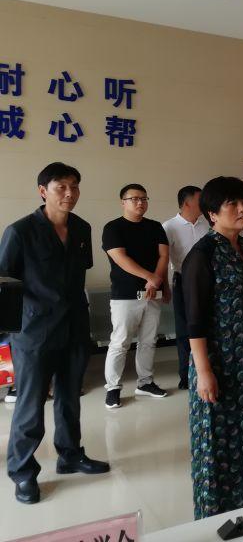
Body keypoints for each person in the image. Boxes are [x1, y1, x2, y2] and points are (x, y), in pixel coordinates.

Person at [0, 162, 109, 504]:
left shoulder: (81, 228)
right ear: (42, 191)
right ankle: (22, 472)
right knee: (30, 405)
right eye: (61, 186)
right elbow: (5, 282)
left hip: (74, 327)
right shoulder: (20, 231)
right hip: (34, 332)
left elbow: (78, 275)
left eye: (74, 186)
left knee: (69, 398)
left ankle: (70, 455)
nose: (69, 193)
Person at [182, 176, 243, 519]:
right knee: (220, 440)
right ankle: (218, 516)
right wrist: (203, 371)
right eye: (232, 204)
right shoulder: (202, 255)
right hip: (218, 362)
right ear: (212, 214)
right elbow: (194, 320)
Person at [102, 184, 170, 409]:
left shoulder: (155, 226)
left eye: (144, 198)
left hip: (153, 293)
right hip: (125, 294)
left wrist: (158, 282)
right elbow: (120, 257)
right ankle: (113, 388)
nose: (140, 202)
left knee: (149, 340)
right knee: (120, 341)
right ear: (123, 202)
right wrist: (150, 277)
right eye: (134, 199)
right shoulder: (113, 228)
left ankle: (145, 382)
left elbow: (163, 255)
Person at [162, 185, 206, 390]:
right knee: (184, 330)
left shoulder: (207, 224)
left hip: (207, 281)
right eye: (199, 199)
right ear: (187, 203)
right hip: (183, 281)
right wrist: (165, 286)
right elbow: (163, 259)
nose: (203, 203)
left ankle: (206, 368)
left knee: (205, 325)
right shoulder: (169, 226)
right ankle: (185, 375)